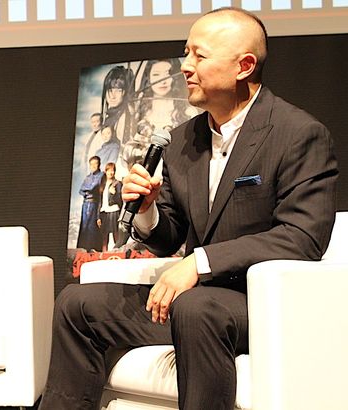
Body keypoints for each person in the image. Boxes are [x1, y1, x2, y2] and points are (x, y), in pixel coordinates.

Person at [39, 7, 337, 410]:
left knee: (196, 307)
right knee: (76, 303)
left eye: (200, 55)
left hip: (258, 304)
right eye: (186, 53)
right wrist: (147, 210)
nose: (185, 66)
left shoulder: (298, 134)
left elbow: (302, 238)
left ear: (244, 66)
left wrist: (200, 263)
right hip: (192, 304)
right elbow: (169, 237)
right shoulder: (182, 140)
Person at [76, 156, 104, 251]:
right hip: (86, 204)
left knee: (93, 227)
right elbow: (81, 190)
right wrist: (87, 191)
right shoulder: (88, 177)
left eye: (95, 163)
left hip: (95, 204)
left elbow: (95, 189)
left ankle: (93, 248)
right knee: (84, 227)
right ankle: (83, 248)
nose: (93, 166)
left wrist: (88, 190)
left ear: (99, 164)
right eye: (91, 164)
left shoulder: (101, 176)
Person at [97, 162, 124, 251]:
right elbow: (100, 201)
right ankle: (104, 253)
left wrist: (114, 194)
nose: (110, 173)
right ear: (105, 171)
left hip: (114, 211)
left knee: (116, 234)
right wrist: (98, 217)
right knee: (104, 236)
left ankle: (118, 252)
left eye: (112, 171)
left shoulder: (117, 183)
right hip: (104, 212)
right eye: (109, 170)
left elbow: (120, 201)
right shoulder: (103, 184)